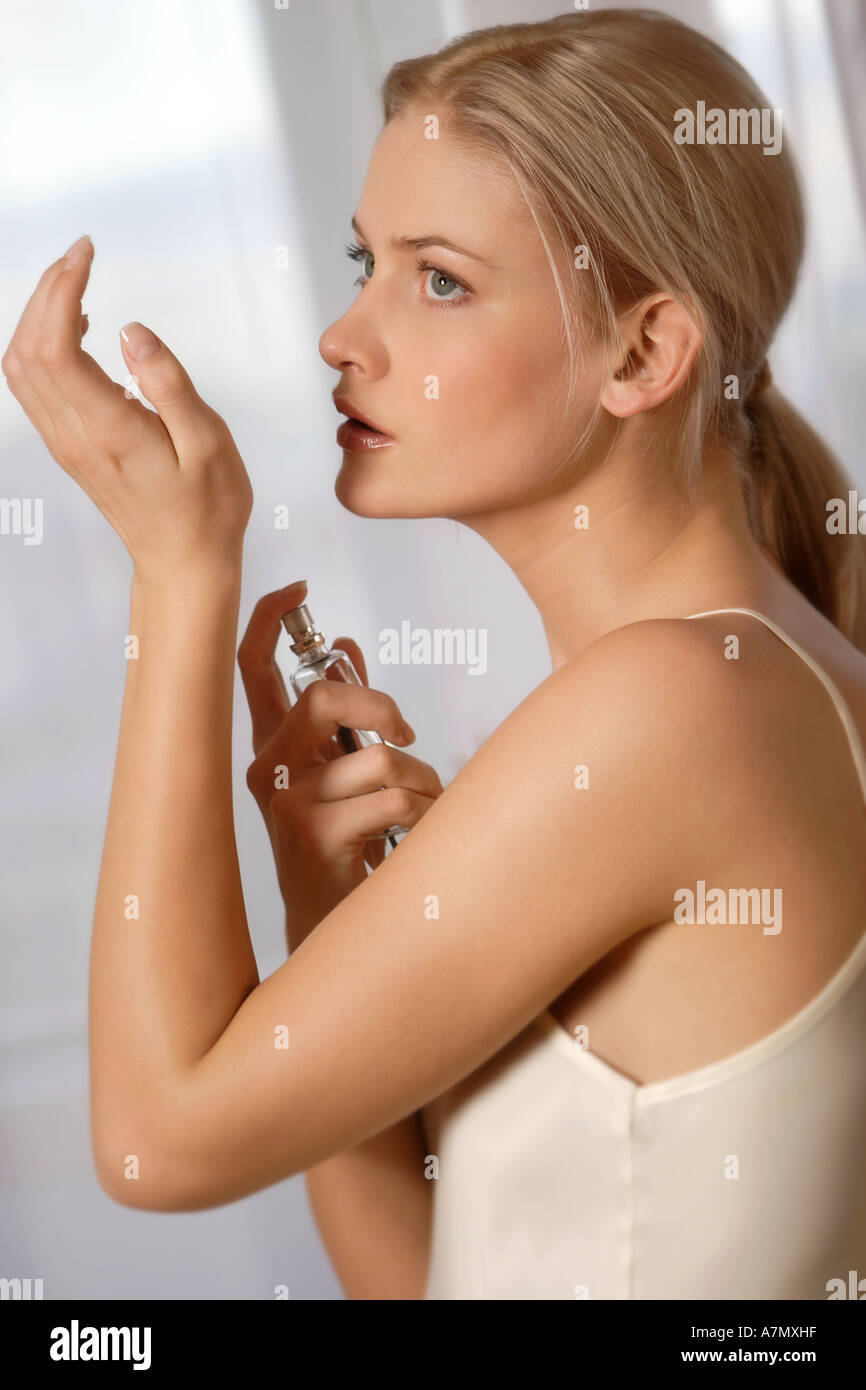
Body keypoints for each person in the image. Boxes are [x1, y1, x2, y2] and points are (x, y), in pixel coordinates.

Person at [4, 8, 865, 1300]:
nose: (342, 335)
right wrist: (324, 924)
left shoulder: (677, 702)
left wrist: (181, 576)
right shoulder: (724, 682)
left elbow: (152, 1142)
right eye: (364, 259)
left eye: (438, 277)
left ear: (642, 352)